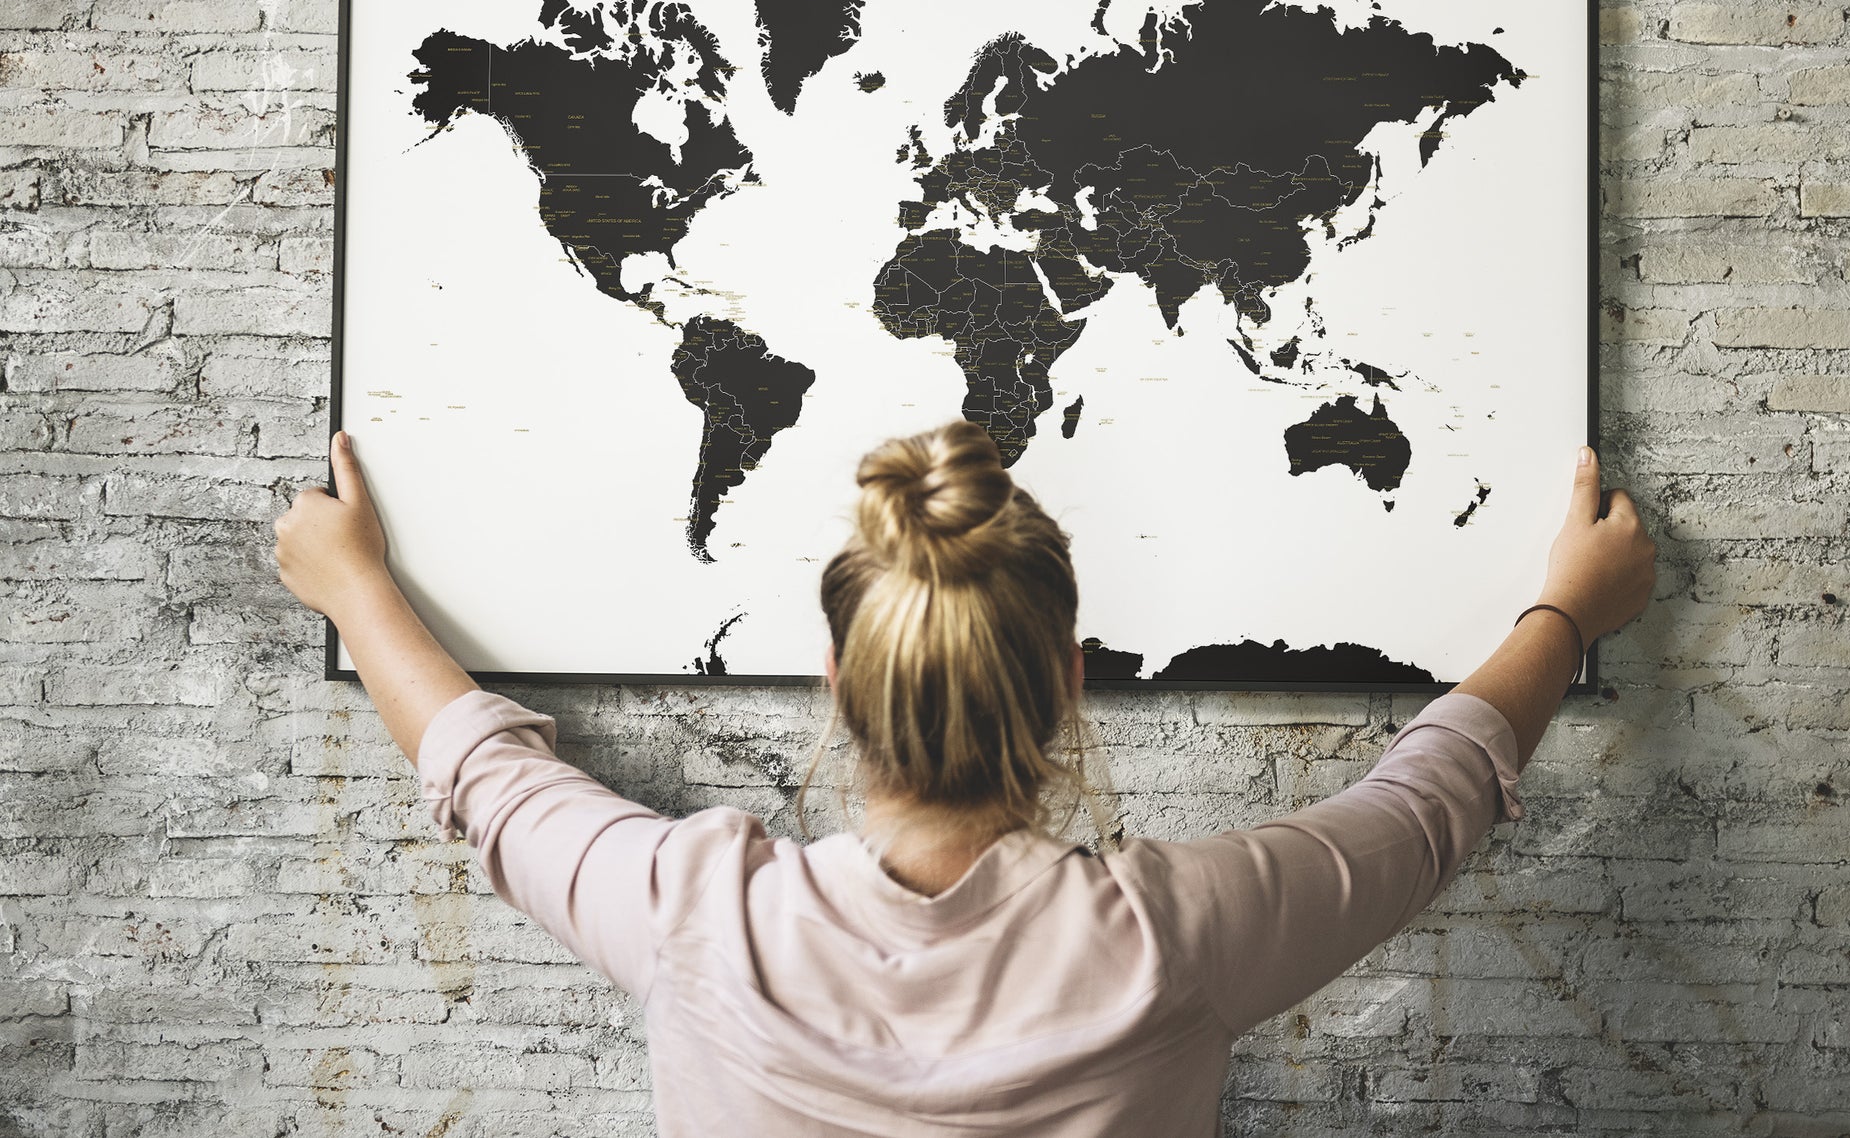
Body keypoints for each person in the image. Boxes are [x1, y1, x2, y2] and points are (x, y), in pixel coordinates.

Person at [274, 419, 1654, 1136]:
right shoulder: (1174, 940)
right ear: (1065, 675)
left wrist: (353, 587)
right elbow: (1424, 806)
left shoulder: (696, 914)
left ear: (836, 682)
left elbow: (488, 775)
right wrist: (1565, 615)